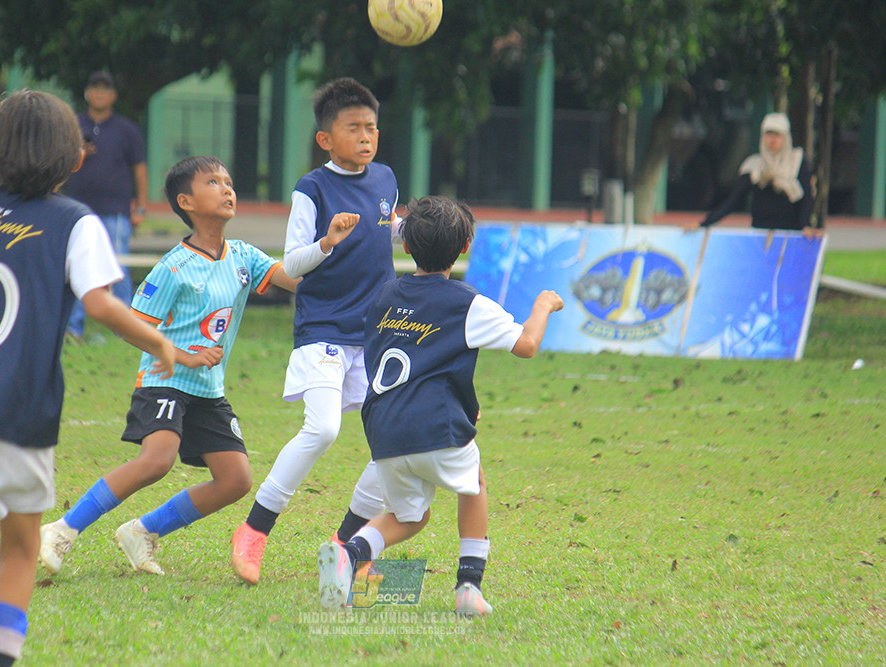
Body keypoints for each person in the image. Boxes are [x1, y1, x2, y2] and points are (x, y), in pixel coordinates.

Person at [0, 90, 174, 667]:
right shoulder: (74, 220)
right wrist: (158, 340)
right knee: (19, 552)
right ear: (75, 159)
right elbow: (99, 303)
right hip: (12, 406)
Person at [38, 156, 351, 577]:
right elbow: (131, 325)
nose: (227, 189)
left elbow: (297, 279)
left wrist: (327, 246)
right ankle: (62, 529)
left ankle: (143, 531)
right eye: (213, 182)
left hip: (208, 389)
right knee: (157, 460)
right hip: (164, 381)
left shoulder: (244, 256)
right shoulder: (174, 266)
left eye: (228, 181)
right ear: (186, 201)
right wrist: (182, 355)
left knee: (236, 479)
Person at [316, 196, 564, 616]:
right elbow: (526, 344)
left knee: (410, 518)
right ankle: (468, 586)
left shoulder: (383, 296)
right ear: (465, 247)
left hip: (385, 431)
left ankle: (350, 552)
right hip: (436, 426)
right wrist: (543, 305)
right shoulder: (467, 302)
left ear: (407, 247)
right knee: (475, 484)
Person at [230, 77, 403, 585]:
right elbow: (294, 263)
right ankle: (254, 531)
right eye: (354, 128)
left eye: (372, 127)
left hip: (376, 332)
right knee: (323, 428)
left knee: (394, 443)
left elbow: (389, 224)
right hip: (324, 327)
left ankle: (348, 544)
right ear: (326, 138)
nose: (366, 136)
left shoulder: (387, 177)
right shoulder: (312, 188)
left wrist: (422, 230)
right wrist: (327, 241)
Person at [64, 70, 150, 339]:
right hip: (77, 210)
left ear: (113, 95)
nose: (100, 93)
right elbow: (59, 163)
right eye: (95, 88)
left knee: (117, 269)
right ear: (87, 93)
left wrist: (141, 207)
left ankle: (126, 330)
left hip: (115, 211)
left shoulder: (126, 129)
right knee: (78, 268)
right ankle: (73, 329)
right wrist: (79, 153)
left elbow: (140, 170)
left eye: (105, 88)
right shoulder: (73, 125)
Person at [685, 112, 818, 238]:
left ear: (786, 137)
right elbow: (733, 201)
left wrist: (805, 226)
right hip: (760, 235)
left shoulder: (797, 162)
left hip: (791, 235)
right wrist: (703, 223)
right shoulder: (754, 165)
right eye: (769, 134)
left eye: (777, 135)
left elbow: (806, 197)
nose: (773, 139)